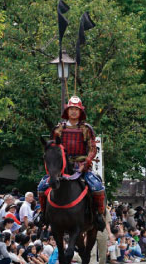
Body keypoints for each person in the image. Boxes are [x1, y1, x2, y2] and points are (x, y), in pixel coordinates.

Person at [37, 96, 106, 229]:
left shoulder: (86, 128)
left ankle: (98, 215)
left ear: (80, 112)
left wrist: (86, 162)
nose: (73, 112)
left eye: (76, 109)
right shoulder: (58, 129)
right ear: (67, 111)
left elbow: (92, 148)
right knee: (41, 187)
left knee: (97, 187)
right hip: (61, 166)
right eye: (71, 109)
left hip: (81, 165)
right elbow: (52, 147)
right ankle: (43, 215)